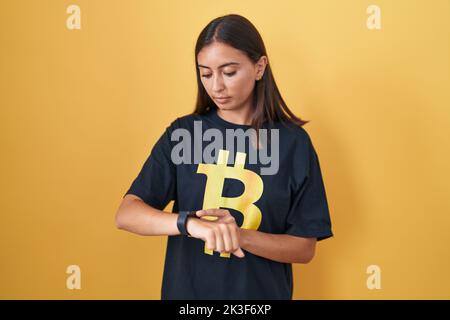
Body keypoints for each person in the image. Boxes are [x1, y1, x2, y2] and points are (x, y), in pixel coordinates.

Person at [115, 14, 333, 300]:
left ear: (259, 67)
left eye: (229, 72)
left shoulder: (294, 144)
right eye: (206, 74)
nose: (216, 86)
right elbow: (127, 214)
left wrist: (237, 236)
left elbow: (304, 248)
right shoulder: (183, 134)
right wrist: (191, 224)